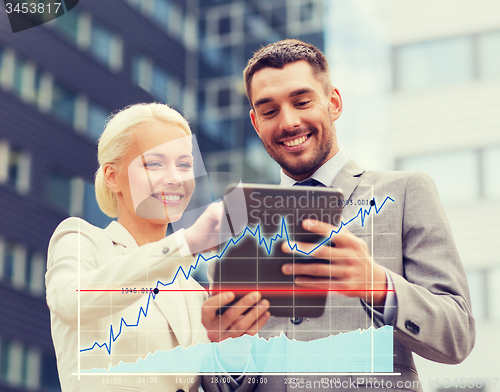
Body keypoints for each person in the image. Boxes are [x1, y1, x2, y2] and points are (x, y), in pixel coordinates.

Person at [201, 39, 475, 391]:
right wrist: (227, 349)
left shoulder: (406, 192)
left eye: (302, 102)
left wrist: (377, 285)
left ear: (333, 103)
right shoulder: (237, 221)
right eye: (269, 111)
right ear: (256, 123)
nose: (288, 122)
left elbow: (457, 336)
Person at [45, 103, 270, 392]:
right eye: (155, 163)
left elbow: (222, 386)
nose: (175, 178)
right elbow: (70, 302)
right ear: (113, 177)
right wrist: (187, 243)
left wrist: (233, 342)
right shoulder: (82, 240)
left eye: (185, 164)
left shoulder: (195, 293)